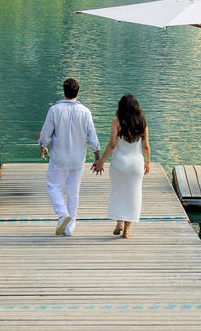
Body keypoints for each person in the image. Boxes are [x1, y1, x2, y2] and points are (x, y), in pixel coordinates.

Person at [38, 77, 101, 236]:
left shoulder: (54, 110)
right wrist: (97, 157)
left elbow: (46, 134)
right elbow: (92, 137)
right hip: (78, 159)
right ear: (77, 92)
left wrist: (43, 145)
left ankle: (62, 213)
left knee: (54, 186)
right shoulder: (86, 112)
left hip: (59, 157)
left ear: (64, 91)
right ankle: (70, 226)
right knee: (74, 192)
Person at [93, 94, 150, 239]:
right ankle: (126, 230)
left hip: (119, 164)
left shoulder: (116, 122)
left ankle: (119, 222)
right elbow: (146, 147)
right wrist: (147, 162)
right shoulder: (142, 122)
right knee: (132, 196)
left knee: (118, 192)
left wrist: (101, 161)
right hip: (136, 165)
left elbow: (112, 144)